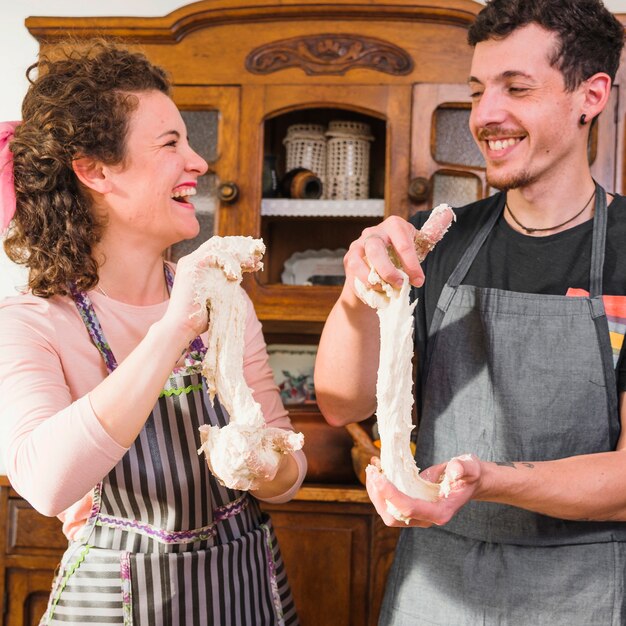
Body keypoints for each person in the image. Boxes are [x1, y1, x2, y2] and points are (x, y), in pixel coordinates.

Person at [314, 0, 626, 623]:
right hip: (435, 589)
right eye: (479, 90)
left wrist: (487, 481)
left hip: (582, 592)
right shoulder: (442, 242)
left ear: (590, 95)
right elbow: (341, 402)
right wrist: (357, 293)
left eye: (517, 88)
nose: (485, 115)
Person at [0, 40, 305, 626]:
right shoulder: (34, 322)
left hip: (244, 596)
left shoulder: (227, 303)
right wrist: (173, 329)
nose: (199, 162)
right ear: (93, 169)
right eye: (171, 144)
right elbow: (44, 482)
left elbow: (288, 468)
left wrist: (266, 467)